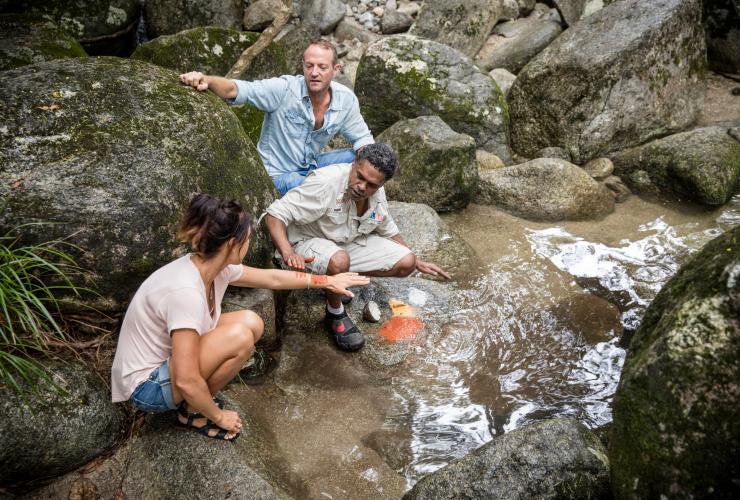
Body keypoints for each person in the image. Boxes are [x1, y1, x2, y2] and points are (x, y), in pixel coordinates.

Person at [110, 194, 369, 441]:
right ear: (232, 244)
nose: (249, 243)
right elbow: (186, 380)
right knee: (241, 338)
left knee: (251, 322)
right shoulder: (186, 292)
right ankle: (192, 414)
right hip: (146, 386)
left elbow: (273, 278)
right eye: (246, 238)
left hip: (167, 362)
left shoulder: (214, 267)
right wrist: (218, 416)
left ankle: (195, 405)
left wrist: (327, 281)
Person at [265, 143, 450, 352]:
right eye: (360, 177)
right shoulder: (326, 182)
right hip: (305, 243)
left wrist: (417, 261)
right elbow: (275, 215)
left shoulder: (376, 193)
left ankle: (336, 279)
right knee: (339, 260)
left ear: (381, 184)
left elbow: (387, 228)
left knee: (407, 262)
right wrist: (288, 252)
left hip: (344, 242)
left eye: (371, 185)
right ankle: (334, 312)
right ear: (354, 164)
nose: (362, 187)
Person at [179, 40, 374, 196]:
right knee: (305, 185)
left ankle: (365, 211)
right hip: (277, 176)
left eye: (322, 67)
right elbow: (235, 89)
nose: (314, 73)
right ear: (303, 67)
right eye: (309, 66)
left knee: (363, 157)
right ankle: (332, 202)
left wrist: (368, 164)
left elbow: (362, 139)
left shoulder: (345, 100)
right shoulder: (283, 89)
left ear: (336, 69)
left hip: (312, 167)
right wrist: (206, 79)